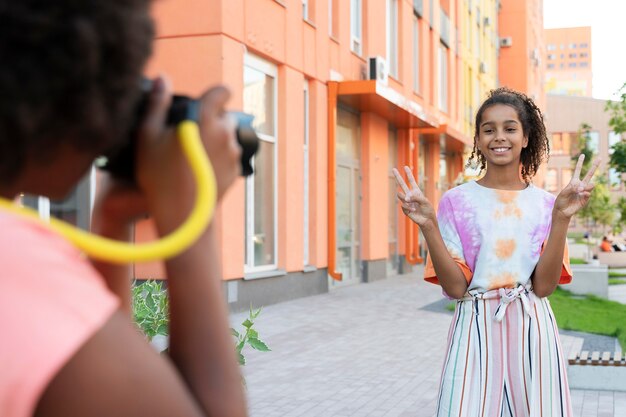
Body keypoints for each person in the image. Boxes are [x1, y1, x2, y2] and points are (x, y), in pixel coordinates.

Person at [0, 2, 247, 417]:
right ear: (70, 93)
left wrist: (111, 221)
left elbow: (100, 384)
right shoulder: (18, 266)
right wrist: (191, 220)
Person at [394, 87, 600, 417]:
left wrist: (561, 217)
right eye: (488, 129)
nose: (498, 137)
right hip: (474, 326)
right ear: (477, 139)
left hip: (532, 327)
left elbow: (544, 287)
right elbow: (456, 288)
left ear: (526, 137)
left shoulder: (549, 205)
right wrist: (428, 224)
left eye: (509, 128)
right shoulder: (456, 202)